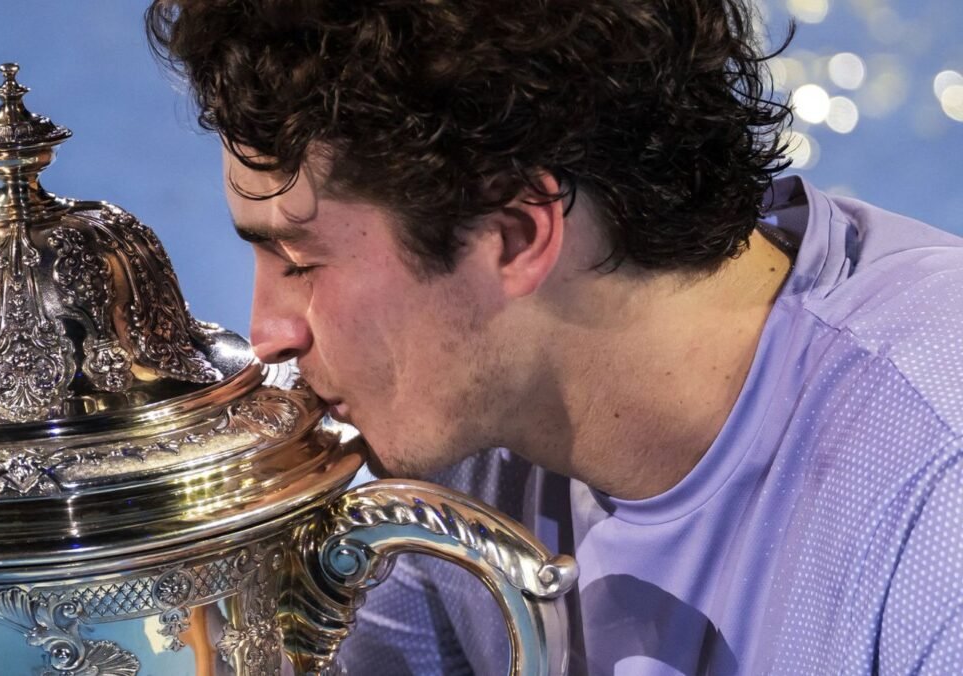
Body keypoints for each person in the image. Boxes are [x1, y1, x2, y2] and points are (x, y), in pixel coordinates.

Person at [146, 1, 963, 673]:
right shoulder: (471, 408)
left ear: (513, 238)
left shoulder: (935, 500)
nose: (268, 336)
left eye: (299, 259)